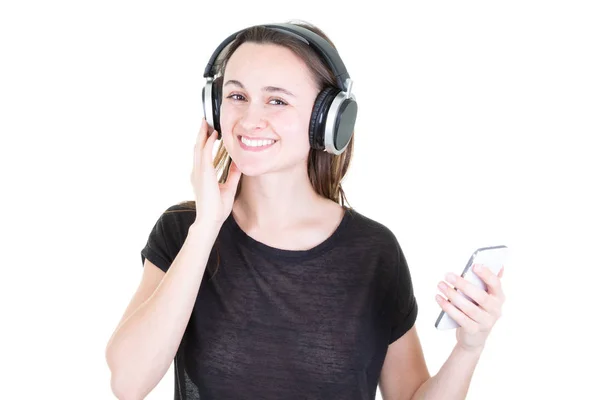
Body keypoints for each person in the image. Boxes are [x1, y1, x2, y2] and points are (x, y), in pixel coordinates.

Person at [105, 21, 506, 400]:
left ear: (326, 120)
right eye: (237, 96)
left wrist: (469, 348)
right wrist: (207, 225)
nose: (250, 119)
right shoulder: (182, 232)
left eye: (276, 100)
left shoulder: (373, 252)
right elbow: (129, 382)